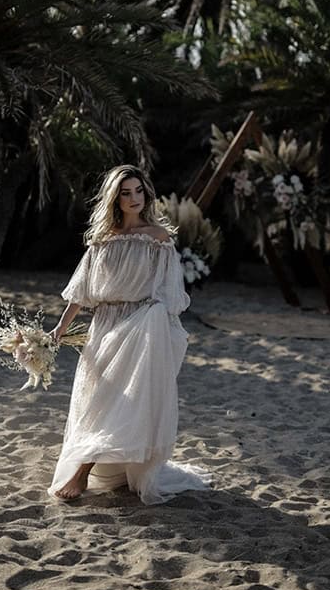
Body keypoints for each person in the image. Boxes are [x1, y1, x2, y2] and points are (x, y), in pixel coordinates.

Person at [48, 164, 210, 505]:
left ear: (146, 194)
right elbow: (82, 291)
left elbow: (170, 291)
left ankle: (80, 473)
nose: (134, 198)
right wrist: (61, 327)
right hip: (104, 324)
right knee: (97, 399)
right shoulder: (102, 239)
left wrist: (159, 324)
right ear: (115, 198)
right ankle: (106, 468)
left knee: (120, 400)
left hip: (141, 325)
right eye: (126, 192)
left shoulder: (158, 238)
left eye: (138, 191)